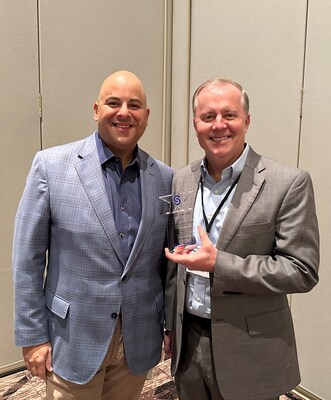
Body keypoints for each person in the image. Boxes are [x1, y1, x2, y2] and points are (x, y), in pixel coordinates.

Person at [13, 70, 173, 400]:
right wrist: (32, 336)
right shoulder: (51, 166)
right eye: (114, 102)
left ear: (146, 116)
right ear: (97, 109)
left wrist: (169, 324)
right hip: (71, 338)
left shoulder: (164, 178)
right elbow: (27, 259)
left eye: (135, 105)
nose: (124, 112)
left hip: (137, 339)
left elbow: (166, 265)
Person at [164, 77, 319, 400]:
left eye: (229, 115)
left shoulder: (288, 183)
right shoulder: (180, 180)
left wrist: (219, 264)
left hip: (251, 346)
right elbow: (173, 266)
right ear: (196, 124)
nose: (218, 125)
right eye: (208, 117)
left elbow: (302, 270)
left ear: (246, 121)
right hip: (188, 342)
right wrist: (169, 325)